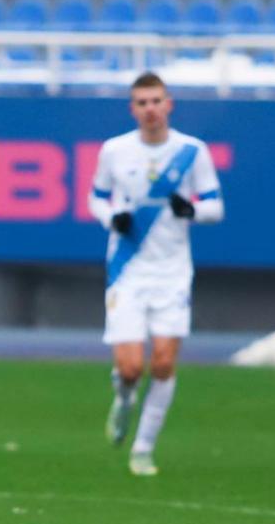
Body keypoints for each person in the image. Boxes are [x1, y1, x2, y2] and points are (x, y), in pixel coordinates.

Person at [88, 72, 224, 476]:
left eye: (156, 101)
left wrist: (192, 210)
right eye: (142, 102)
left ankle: (144, 447)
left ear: (169, 105)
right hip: (127, 268)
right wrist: (112, 217)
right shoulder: (115, 151)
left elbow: (216, 206)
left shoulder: (191, 151)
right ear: (133, 109)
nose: (150, 109)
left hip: (172, 271)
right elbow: (96, 197)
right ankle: (124, 398)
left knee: (163, 363)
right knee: (131, 367)